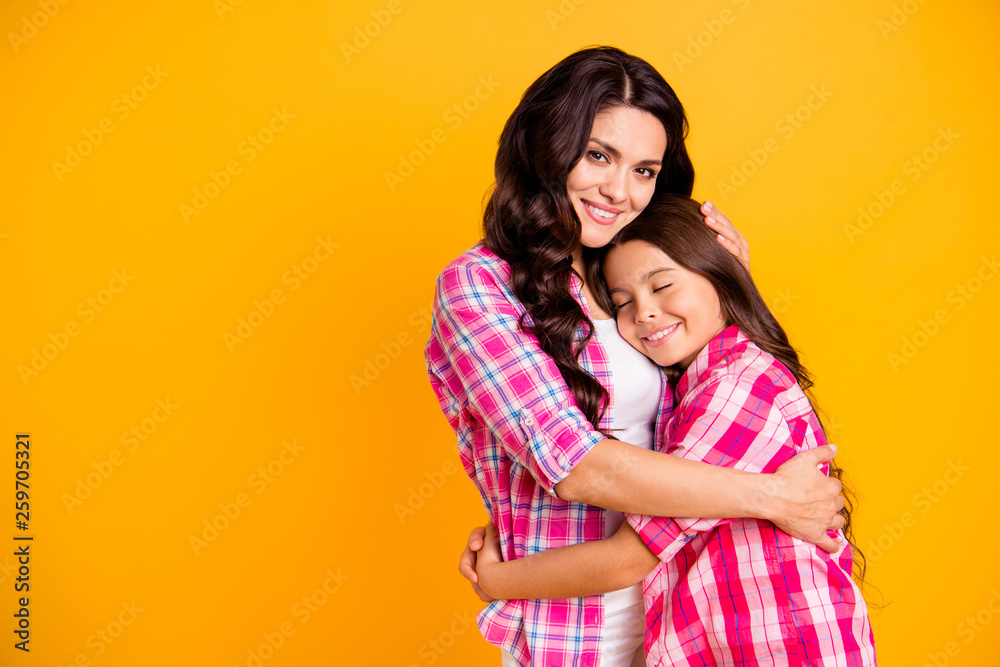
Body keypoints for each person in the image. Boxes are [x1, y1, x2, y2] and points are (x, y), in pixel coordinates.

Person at [426, 46, 845, 666]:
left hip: (695, 618)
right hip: (579, 628)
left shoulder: (631, 272)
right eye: (599, 156)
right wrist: (772, 497)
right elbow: (578, 468)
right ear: (546, 147)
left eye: (645, 171)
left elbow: (718, 404)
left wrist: (726, 291)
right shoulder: (479, 288)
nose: (620, 192)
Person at [470, 194, 876, 666]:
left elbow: (629, 558)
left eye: (662, 286)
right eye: (623, 302)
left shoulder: (734, 391)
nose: (643, 312)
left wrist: (495, 579)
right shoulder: (697, 385)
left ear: (721, 276)